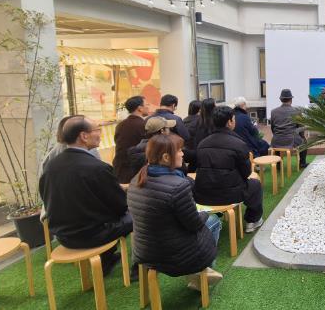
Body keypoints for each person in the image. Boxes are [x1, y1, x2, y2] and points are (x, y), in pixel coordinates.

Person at [127, 134, 223, 290]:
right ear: (166, 157)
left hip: (144, 252)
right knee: (214, 220)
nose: (183, 154)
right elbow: (194, 224)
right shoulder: (178, 185)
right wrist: (205, 213)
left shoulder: (136, 180)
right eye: (179, 150)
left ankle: (201, 272)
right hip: (172, 254)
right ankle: (202, 271)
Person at [39, 116, 133, 276]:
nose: (101, 134)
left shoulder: (50, 165)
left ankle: (107, 258)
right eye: (97, 130)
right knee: (139, 213)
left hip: (63, 236)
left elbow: (46, 198)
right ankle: (139, 267)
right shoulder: (98, 168)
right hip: (94, 235)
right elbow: (120, 205)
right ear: (84, 136)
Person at [194, 106, 264, 233]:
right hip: (229, 195)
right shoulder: (238, 143)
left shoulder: (202, 144)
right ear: (229, 122)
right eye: (234, 119)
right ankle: (252, 220)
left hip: (202, 194)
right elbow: (246, 172)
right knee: (255, 184)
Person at [270, 89, 309, 169]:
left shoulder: (273, 111)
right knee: (304, 142)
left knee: (277, 139)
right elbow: (301, 128)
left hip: (277, 140)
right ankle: (302, 163)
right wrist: (302, 137)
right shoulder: (297, 111)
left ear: (281, 99)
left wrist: (277, 135)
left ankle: (278, 165)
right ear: (291, 99)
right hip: (291, 140)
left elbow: (273, 128)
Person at [113, 96, 148, 183]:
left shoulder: (120, 125)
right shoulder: (144, 125)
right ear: (140, 108)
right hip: (135, 171)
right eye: (147, 105)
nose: (148, 107)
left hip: (119, 167)